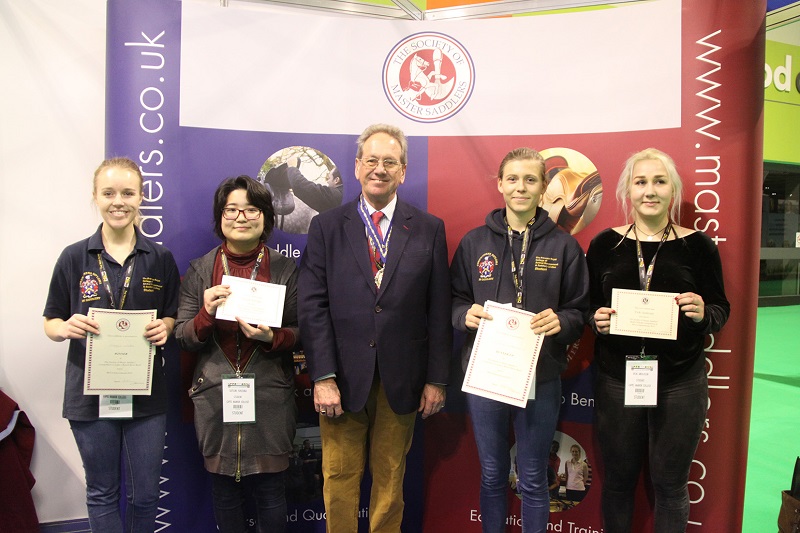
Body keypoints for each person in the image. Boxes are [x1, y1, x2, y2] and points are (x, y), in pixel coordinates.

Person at [298, 123, 452, 532]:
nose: (379, 169)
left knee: (390, 479)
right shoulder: (327, 226)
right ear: (357, 166)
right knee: (339, 477)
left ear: (403, 171)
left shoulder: (429, 228)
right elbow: (312, 307)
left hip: (402, 379)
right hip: (342, 379)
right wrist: (323, 376)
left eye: (389, 162)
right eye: (371, 160)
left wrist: (436, 379)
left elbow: (439, 310)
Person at [587, 148, 730, 533]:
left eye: (659, 181)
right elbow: (589, 305)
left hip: (680, 382)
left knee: (670, 485)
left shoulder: (698, 246)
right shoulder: (604, 245)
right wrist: (594, 319)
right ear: (627, 191)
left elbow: (721, 308)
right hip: (618, 379)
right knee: (618, 482)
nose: (650, 190)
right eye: (641, 182)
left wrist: (704, 313)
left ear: (673, 191)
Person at [450, 147, 589, 533]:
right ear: (499, 184)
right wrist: (463, 315)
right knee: (493, 473)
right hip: (486, 376)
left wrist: (562, 320)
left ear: (544, 187)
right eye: (512, 179)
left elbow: (580, 311)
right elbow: (454, 299)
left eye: (530, 180)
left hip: (540, 377)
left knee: (532, 477)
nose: (521, 187)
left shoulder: (564, 246)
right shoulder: (474, 242)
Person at [43, 157, 180, 532]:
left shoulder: (160, 259)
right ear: (95, 197)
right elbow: (50, 321)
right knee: (102, 493)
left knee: (145, 495)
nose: (118, 201)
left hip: (145, 393)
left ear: (141, 197)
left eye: (127, 193)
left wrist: (166, 327)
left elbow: (172, 315)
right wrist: (65, 327)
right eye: (108, 193)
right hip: (89, 396)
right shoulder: (74, 257)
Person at [175, 176, 299, 533]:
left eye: (251, 209)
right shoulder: (201, 270)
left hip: (271, 397)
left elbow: (303, 332)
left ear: (266, 217)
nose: (241, 217)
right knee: (224, 492)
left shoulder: (285, 269)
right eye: (231, 209)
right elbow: (182, 336)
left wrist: (272, 336)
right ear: (220, 217)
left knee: (272, 492)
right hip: (215, 398)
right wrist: (205, 314)